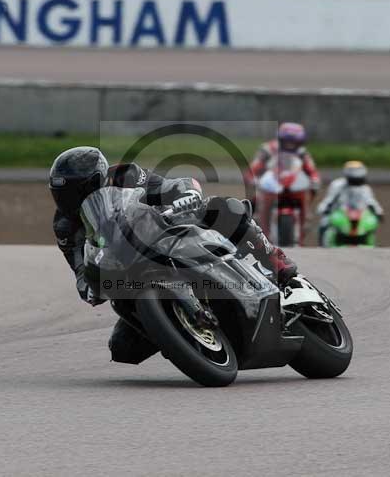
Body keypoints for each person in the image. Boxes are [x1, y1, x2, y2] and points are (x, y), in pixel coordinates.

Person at [48, 146, 299, 364]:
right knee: (123, 348)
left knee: (224, 208)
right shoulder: (65, 226)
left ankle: (273, 257)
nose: (69, 200)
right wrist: (90, 287)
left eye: (76, 191)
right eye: (62, 194)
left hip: (168, 233)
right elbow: (80, 270)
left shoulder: (126, 175)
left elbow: (175, 185)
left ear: (97, 180)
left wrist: (186, 196)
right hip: (130, 274)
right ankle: (180, 335)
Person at [245, 122, 321, 237]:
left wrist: (315, 179)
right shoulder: (268, 149)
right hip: (271, 184)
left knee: (311, 189)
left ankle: (305, 217)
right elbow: (254, 167)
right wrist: (252, 178)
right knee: (255, 198)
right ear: (280, 139)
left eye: (294, 141)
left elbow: (311, 169)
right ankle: (253, 219)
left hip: (294, 185)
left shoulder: (302, 152)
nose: (290, 144)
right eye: (287, 141)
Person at [317, 161, 384, 240]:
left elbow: (371, 202)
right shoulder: (337, 185)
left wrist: (379, 212)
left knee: (372, 222)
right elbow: (329, 200)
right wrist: (323, 209)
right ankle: (324, 245)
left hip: (360, 215)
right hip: (340, 214)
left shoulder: (365, 188)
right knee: (324, 222)